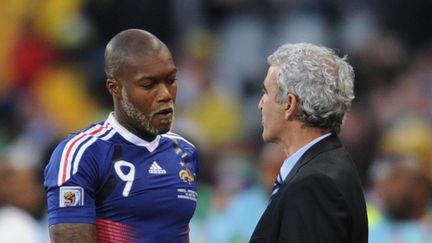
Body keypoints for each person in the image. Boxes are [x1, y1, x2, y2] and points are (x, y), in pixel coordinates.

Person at [44, 29, 199, 243]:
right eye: (148, 84)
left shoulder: (185, 152)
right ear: (115, 88)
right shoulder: (81, 154)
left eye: (171, 80)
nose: (165, 94)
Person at [250, 43, 368, 243]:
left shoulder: (314, 184)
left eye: (265, 93)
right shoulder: (324, 167)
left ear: (289, 104)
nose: (260, 104)